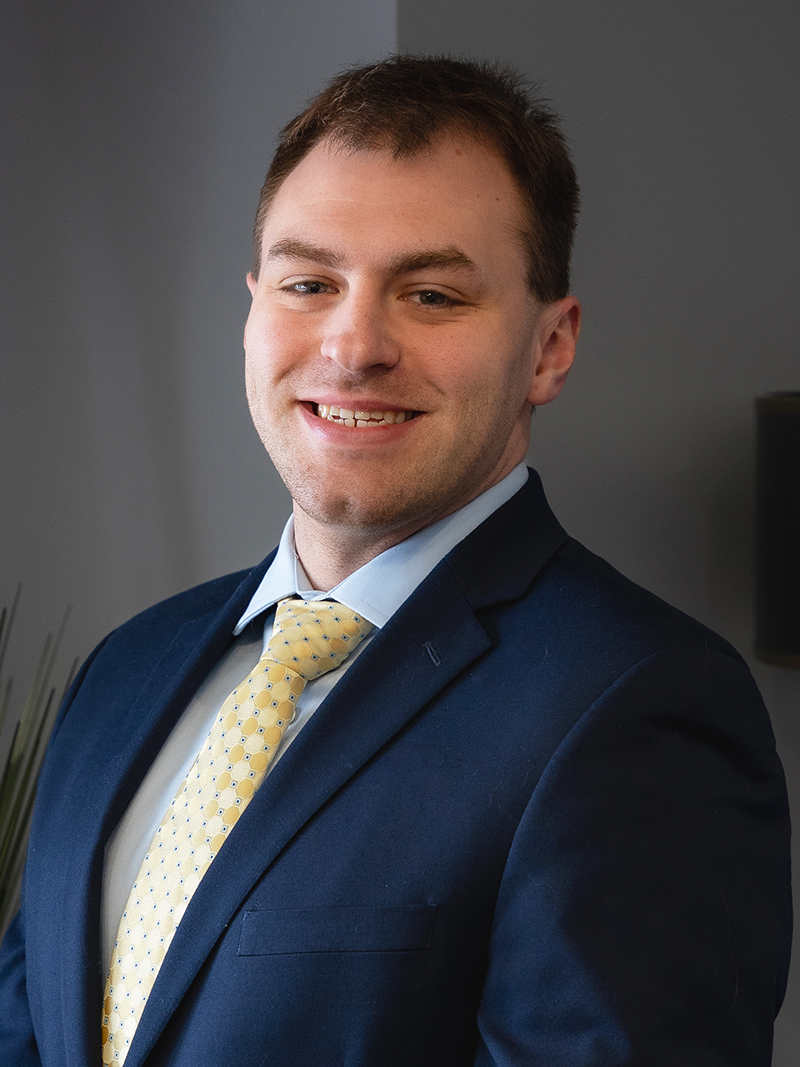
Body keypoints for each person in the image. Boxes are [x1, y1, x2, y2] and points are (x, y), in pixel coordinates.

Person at [0, 55, 791, 1067]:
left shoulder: (638, 703)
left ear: (549, 347)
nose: (353, 344)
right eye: (308, 283)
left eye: (430, 294)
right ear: (252, 311)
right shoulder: (124, 669)